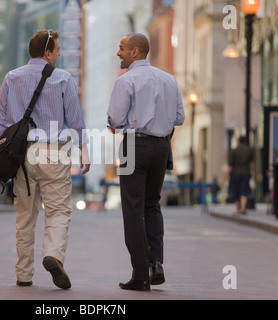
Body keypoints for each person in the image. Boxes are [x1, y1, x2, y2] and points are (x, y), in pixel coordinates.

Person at [0, 29, 90, 290]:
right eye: (56, 50)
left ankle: (23, 274)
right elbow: (75, 118)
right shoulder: (63, 79)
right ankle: (53, 254)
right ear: (47, 53)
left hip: (20, 155)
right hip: (53, 152)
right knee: (58, 210)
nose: (58, 55)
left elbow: (1, 122)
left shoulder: (11, 78)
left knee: (24, 216)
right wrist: (84, 149)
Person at [107, 33, 185, 291]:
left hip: (133, 146)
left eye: (121, 49)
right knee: (152, 205)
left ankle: (140, 274)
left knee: (132, 207)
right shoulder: (169, 79)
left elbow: (116, 121)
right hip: (162, 147)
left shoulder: (126, 80)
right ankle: (156, 263)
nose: (118, 53)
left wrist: (115, 123)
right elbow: (179, 118)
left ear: (135, 51)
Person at [228, 136, 254, 215]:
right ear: (245, 141)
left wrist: (228, 174)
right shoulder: (249, 150)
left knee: (236, 191)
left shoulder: (234, 150)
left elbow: (230, 165)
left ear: (238, 141)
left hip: (235, 173)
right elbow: (252, 163)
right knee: (244, 190)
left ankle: (238, 209)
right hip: (245, 173)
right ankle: (243, 208)